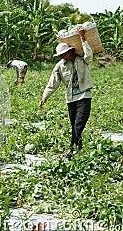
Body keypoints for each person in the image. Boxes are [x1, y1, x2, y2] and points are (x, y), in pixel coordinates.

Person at [39, 27, 93, 159]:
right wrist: (45, 97)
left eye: (64, 53)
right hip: (71, 98)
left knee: (79, 123)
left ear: (70, 51)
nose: (63, 56)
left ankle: (71, 149)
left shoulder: (81, 59)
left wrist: (82, 37)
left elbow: (90, 55)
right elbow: (53, 83)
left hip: (84, 95)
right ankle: (78, 147)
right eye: (61, 55)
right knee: (74, 124)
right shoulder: (60, 66)